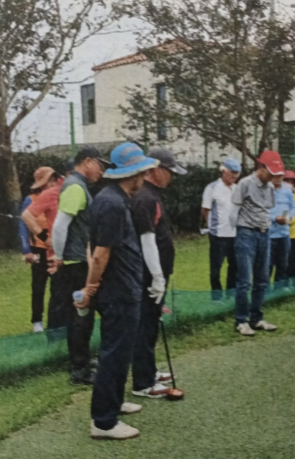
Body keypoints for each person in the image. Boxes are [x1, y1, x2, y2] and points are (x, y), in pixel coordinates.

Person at [79, 143, 158, 440]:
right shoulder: (112, 203)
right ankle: (103, 422)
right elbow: (100, 254)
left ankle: (113, 402)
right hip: (119, 291)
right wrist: (90, 286)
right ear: (133, 172)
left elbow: (93, 245)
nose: (146, 176)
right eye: (143, 170)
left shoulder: (111, 198)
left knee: (119, 351)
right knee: (114, 353)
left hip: (121, 289)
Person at [131, 147, 187, 399]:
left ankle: (150, 370)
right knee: (144, 327)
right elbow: (147, 241)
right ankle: (143, 383)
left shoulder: (152, 195)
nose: (171, 176)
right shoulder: (145, 198)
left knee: (151, 324)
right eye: (169, 171)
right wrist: (156, 277)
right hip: (146, 276)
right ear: (154, 169)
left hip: (155, 274)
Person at [51, 147, 106, 385]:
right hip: (76, 263)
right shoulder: (75, 186)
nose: (101, 171)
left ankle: (81, 360)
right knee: (81, 314)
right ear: (87, 162)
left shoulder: (77, 184)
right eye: (99, 165)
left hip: (77, 261)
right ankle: (79, 369)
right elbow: (60, 226)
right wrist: (60, 256)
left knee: (82, 313)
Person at [231, 150, 284, 336]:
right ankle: (241, 321)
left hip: (264, 234)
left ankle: (256, 318)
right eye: (270, 171)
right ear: (260, 167)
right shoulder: (245, 183)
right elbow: (234, 210)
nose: (272, 176)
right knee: (245, 281)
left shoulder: (269, 187)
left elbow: (265, 210)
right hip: (246, 233)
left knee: (262, 280)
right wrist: (236, 234)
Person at [19, 167, 58, 333]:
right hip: (39, 248)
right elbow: (23, 224)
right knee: (38, 286)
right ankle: (37, 321)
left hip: (55, 249)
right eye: (50, 180)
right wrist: (26, 250)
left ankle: (56, 321)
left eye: (54, 179)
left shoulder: (58, 198)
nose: (53, 183)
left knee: (57, 287)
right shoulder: (31, 199)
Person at [201, 158, 241, 301]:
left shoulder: (237, 189)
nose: (235, 176)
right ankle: (217, 298)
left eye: (237, 173)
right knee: (216, 269)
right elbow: (205, 210)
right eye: (233, 172)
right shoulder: (212, 188)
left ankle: (230, 295)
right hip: (218, 235)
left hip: (235, 234)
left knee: (234, 267)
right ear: (224, 171)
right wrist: (212, 227)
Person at [268, 169, 295, 291]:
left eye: (280, 175)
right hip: (268, 234)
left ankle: (279, 290)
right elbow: (259, 210)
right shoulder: (264, 190)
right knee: (267, 265)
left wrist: (288, 217)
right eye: (275, 175)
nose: (277, 178)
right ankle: (264, 290)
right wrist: (274, 218)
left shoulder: (287, 191)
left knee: (283, 263)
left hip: (284, 233)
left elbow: (293, 207)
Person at [283, 171, 295, 287]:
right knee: (282, 261)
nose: (289, 184)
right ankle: (283, 284)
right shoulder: (277, 196)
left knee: (294, 260)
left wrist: (286, 221)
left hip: (293, 234)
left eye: (291, 182)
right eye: (287, 181)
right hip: (280, 234)